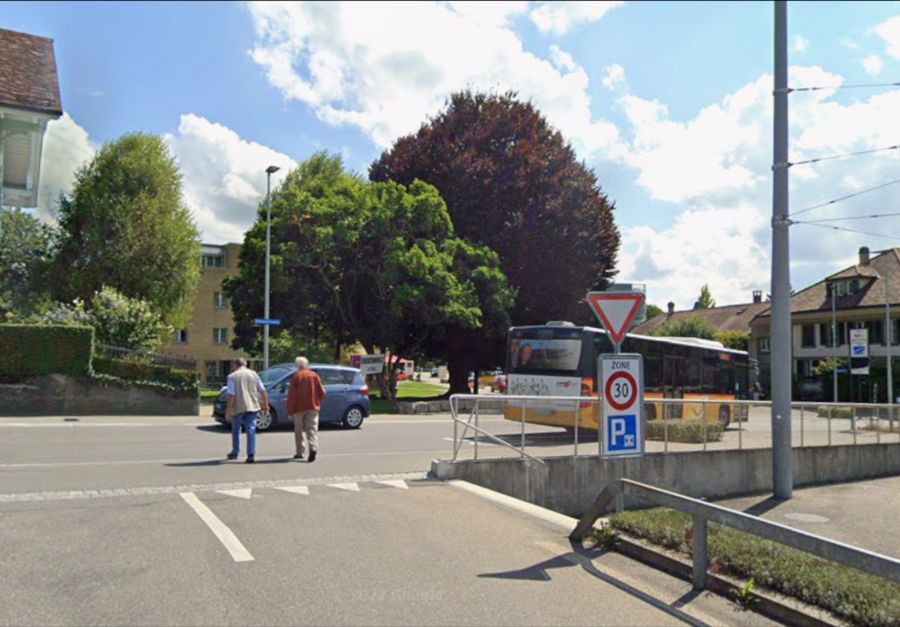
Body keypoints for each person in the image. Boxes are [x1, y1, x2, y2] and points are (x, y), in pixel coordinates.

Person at [225, 357, 268, 464]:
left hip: (239, 406)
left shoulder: (232, 376)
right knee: (251, 429)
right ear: (245, 364)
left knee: (236, 429)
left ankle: (235, 451)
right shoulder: (253, 374)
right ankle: (251, 454)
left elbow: (232, 394)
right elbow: (262, 390)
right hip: (252, 405)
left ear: (235, 365)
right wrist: (265, 403)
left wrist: (228, 409)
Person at [286, 356, 326, 462]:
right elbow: (322, 392)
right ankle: (313, 447)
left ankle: (300, 452)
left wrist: (289, 411)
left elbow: (291, 396)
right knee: (312, 429)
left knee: (298, 430)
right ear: (306, 365)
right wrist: (317, 400)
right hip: (312, 407)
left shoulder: (295, 377)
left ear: (297, 366)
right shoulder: (314, 375)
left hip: (298, 408)